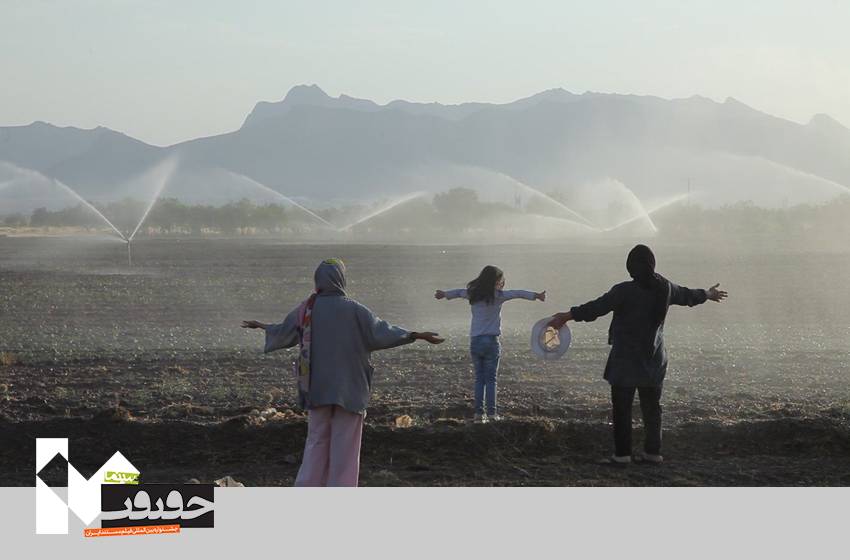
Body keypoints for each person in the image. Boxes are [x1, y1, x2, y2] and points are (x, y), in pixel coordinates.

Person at [242, 258, 444, 486]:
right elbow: (381, 332)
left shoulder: (307, 309)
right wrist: (414, 335)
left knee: (316, 440)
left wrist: (263, 327)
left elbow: (286, 330)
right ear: (341, 279)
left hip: (316, 388)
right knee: (345, 444)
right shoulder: (356, 310)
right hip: (350, 389)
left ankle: (307, 487)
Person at [548, 245, 727, 464]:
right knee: (652, 408)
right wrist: (708, 294)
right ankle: (653, 453)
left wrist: (567, 316)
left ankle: (622, 455)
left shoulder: (624, 291)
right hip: (654, 360)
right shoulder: (666, 288)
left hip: (625, 360)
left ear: (630, 268)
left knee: (622, 409)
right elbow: (688, 295)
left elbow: (596, 308)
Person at [435, 265, 545, 423]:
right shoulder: (498, 295)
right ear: (496, 281)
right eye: (501, 280)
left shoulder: (473, 293)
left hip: (476, 341)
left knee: (479, 379)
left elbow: (459, 292)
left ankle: (479, 415)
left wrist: (444, 294)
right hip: (491, 342)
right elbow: (518, 293)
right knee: (491, 380)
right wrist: (537, 296)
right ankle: (492, 414)